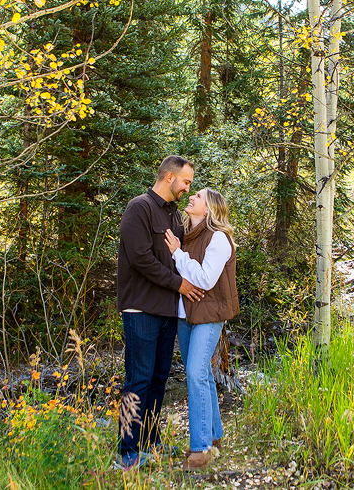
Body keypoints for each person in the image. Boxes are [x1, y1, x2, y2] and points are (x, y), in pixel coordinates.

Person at [116, 155, 205, 470]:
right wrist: (179, 285)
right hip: (140, 307)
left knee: (159, 378)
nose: (187, 187)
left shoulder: (175, 216)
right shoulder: (138, 208)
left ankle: (150, 442)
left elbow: (182, 256)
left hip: (168, 309)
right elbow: (140, 258)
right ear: (169, 177)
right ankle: (126, 452)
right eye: (186, 181)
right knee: (138, 378)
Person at [164, 188, 240, 472]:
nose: (191, 197)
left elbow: (206, 279)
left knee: (195, 374)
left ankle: (200, 449)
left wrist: (178, 255)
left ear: (208, 209)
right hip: (185, 315)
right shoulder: (188, 234)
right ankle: (214, 434)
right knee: (203, 375)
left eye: (198, 195)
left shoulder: (218, 238)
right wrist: (179, 253)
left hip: (209, 316)